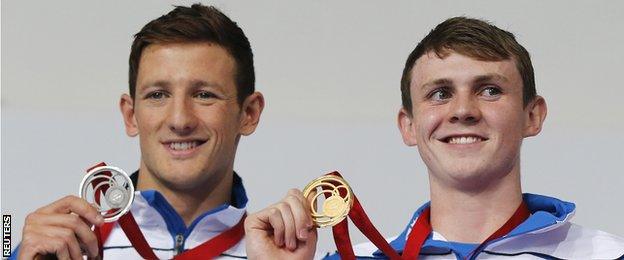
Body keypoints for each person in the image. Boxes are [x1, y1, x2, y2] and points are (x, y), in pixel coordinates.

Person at [244, 17, 624, 259]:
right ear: (408, 125)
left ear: (532, 115)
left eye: (489, 90)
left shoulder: (605, 255)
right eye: (440, 94)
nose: (463, 110)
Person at [13, 4, 264, 259]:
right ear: (131, 115)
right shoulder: (60, 248)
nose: (179, 120)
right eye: (157, 95)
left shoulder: (274, 254)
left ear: (249, 113)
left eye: (204, 95)